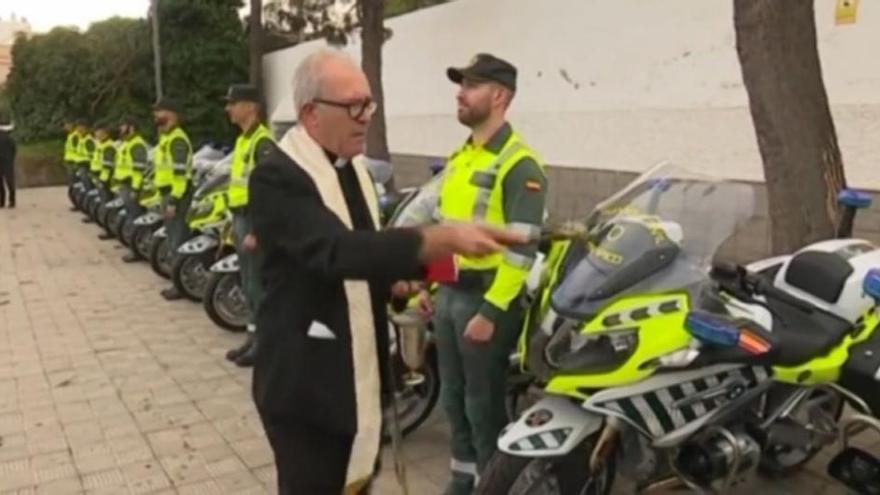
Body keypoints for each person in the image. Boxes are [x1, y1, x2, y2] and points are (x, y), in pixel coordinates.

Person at [248, 49, 525, 495]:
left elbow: (366, 257)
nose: (366, 118)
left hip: (354, 384)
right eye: (354, 106)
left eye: (370, 104)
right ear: (310, 114)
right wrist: (438, 239)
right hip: (306, 389)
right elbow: (336, 251)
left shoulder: (351, 170)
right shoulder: (278, 176)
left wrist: (401, 282)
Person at [423, 53, 548, 495]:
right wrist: (430, 283)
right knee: (453, 399)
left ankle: (493, 485)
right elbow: (446, 229)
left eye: (471, 86)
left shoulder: (520, 165)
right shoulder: (462, 158)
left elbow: (523, 247)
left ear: (498, 96)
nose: (460, 93)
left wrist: (492, 312)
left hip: (485, 301)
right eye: (461, 85)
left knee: (483, 404)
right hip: (451, 296)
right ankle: (463, 478)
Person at [221, 84, 275, 368]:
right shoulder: (243, 140)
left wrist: (258, 230)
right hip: (241, 217)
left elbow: (269, 192)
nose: (228, 108)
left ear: (251, 107)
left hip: (255, 221)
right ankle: (253, 336)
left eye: (234, 103)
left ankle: (265, 344)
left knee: (258, 284)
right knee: (248, 281)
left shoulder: (262, 143)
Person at [152, 97, 194, 300]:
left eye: (159, 112)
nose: (155, 116)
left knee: (178, 240)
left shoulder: (177, 140)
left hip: (176, 195)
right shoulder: (166, 138)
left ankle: (181, 285)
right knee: (171, 240)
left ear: (171, 115)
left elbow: (180, 176)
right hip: (166, 193)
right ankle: (178, 282)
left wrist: (173, 201)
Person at [115, 117, 150, 261]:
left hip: (131, 186)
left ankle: (137, 251)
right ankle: (133, 246)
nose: (121, 128)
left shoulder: (137, 144)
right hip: (124, 184)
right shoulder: (127, 143)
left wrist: (135, 189)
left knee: (135, 218)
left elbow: (138, 170)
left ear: (131, 127)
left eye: (123, 126)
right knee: (130, 217)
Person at [0, 119, 16, 209]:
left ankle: (1, 201)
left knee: (0, 183)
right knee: (10, 182)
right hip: (8, 162)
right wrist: (11, 159)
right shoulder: (10, 139)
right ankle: (12, 201)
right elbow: (14, 150)